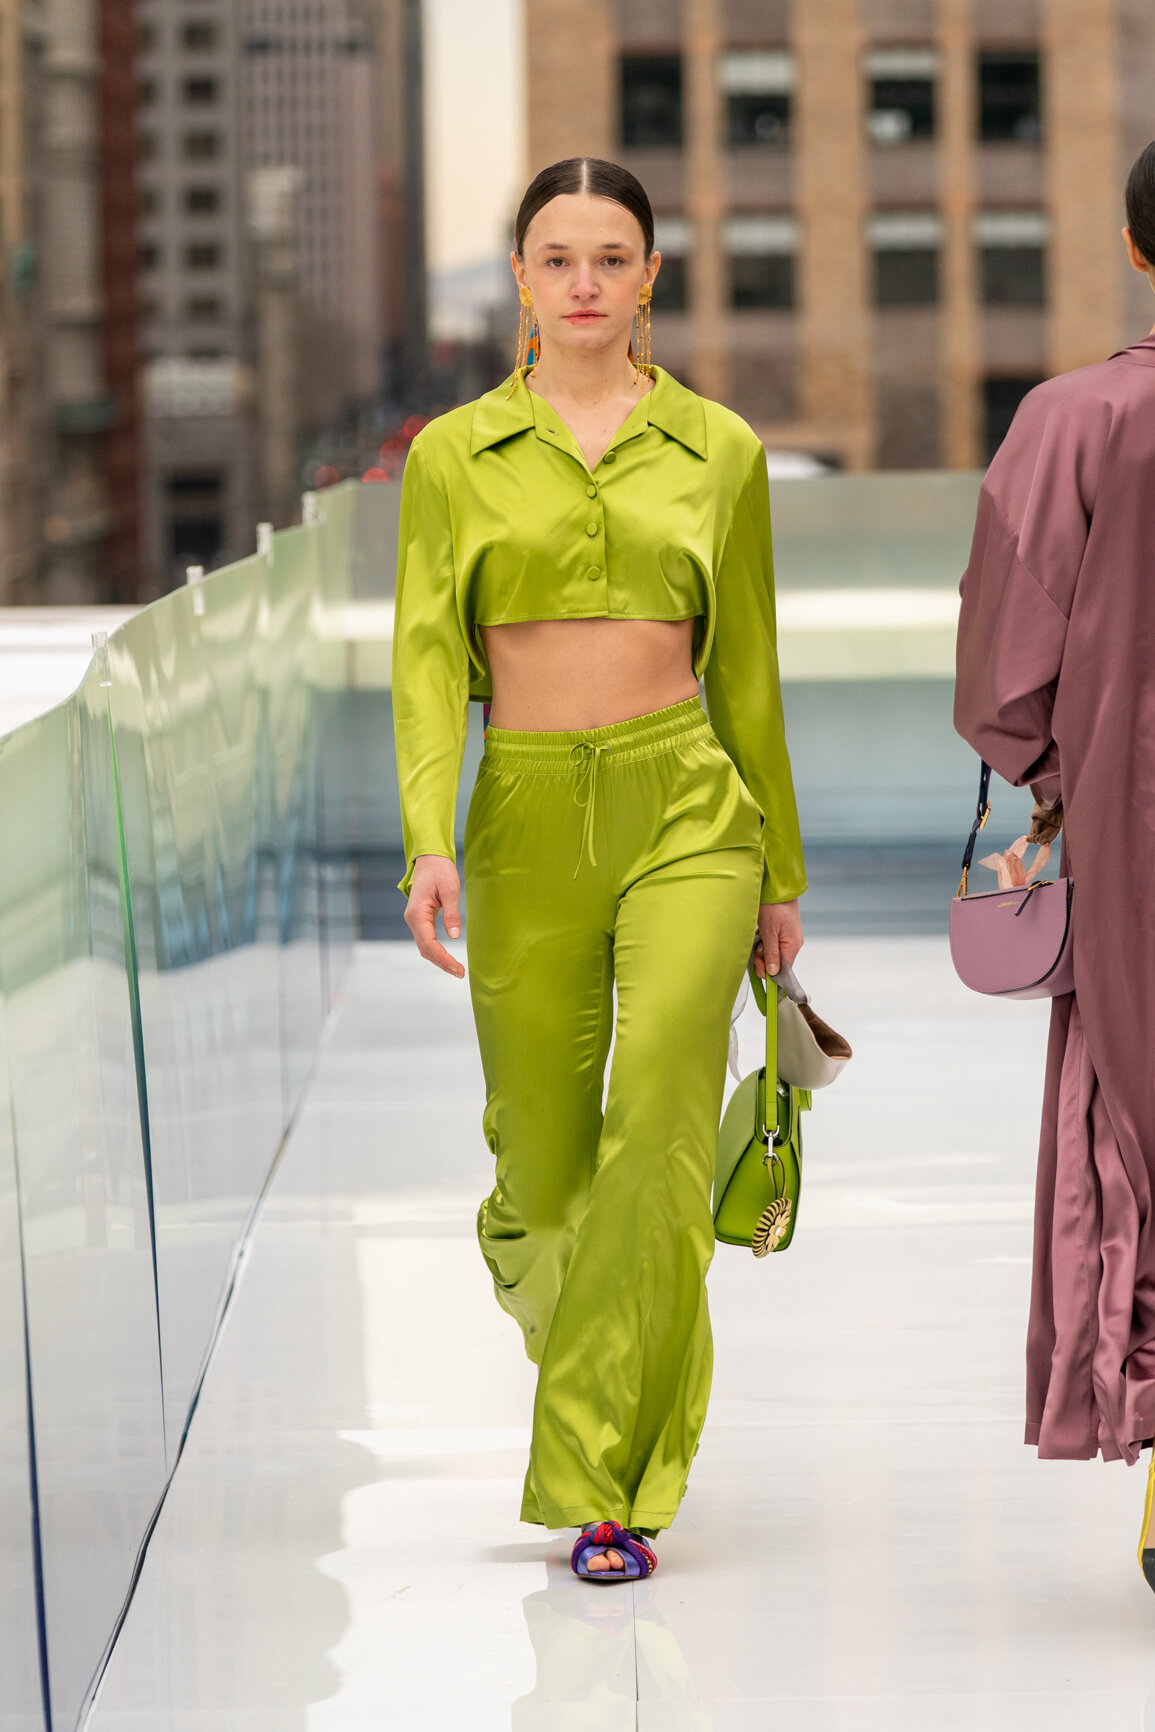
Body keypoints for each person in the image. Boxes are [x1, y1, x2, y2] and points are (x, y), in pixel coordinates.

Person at [392, 157, 805, 1580]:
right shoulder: (452, 456)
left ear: (650, 277)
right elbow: (427, 661)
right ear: (520, 277)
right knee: (543, 1169)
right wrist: (429, 836)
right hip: (520, 816)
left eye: (611, 257)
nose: (584, 283)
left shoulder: (720, 450)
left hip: (689, 809)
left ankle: (608, 1483)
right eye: (557, 258)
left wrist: (780, 873)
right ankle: (611, 1381)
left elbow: (748, 675)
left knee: (662, 1134)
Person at [955, 141, 1155, 1594]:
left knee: (1140, 1121)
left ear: (1138, 250)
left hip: (1139, 840)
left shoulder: (1073, 421)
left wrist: (1060, 777)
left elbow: (1003, 674)